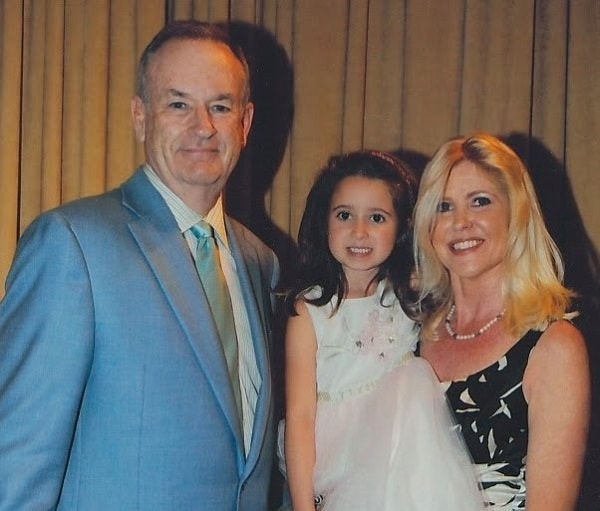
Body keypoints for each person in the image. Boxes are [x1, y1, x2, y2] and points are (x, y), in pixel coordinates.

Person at [0, 20, 279, 510]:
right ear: (140, 116)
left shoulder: (262, 262)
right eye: (178, 104)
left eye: (220, 106)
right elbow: (16, 462)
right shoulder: (73, 245)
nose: (203, 127)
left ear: (246, 122)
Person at [278, 150, 484, 511]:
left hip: (408, 456)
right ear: (324, 221)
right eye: (344, 215)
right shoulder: (309, 311)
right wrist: (302, 505)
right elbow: (299, 415)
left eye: (377, 217)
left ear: (402, 227)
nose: (360, 231)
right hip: (338, 456)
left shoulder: (406, 293)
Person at [413, 132, 590, 510]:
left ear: (515, 214)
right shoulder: (406, 332)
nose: (461, 222)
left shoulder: (553, 346)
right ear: (428, 226)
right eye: (444, 207)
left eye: (480, 202)